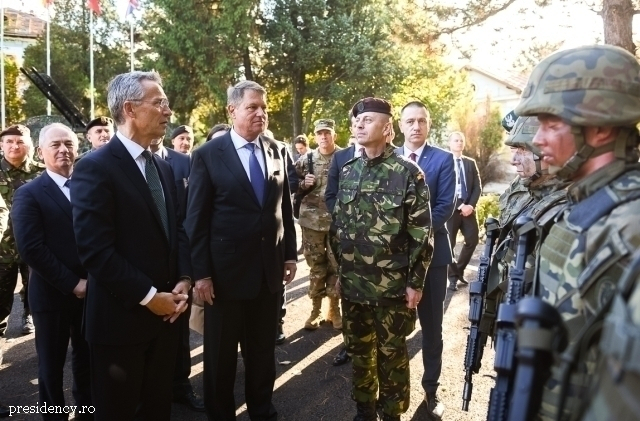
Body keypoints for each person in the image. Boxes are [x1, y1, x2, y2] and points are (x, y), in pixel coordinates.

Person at [514, 44, 640, 421]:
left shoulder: (630, 226)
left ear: (599, 128)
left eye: (552, 124)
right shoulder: (586, 204)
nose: (537, 139)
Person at [71, 71, 192, 421]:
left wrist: (183, 279)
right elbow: (96, 251)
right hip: (119, 326)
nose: (168, 111)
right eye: (160, 103)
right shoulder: (95, 167)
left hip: (167, 320)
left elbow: (178, 230)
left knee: (157, 409)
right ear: (130, 109)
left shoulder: (163, 168)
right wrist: (149, 296)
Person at [184, 80, 297, 421]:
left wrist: (289, 254)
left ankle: (262, 410)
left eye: (264, 107)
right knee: (220, 358)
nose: (260, 113)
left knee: (262, 352)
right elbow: (196, 220)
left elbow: (284, 208)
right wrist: (201, 273)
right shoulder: (206, 155)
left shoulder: (277, 149)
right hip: (224, 278)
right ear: (232, 111)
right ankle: (221, 414)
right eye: (253, 107)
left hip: (268, 272)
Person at [331, 97, 433, 421]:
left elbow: (422, 234)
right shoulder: (348, 170)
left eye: (369, 120)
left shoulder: (407, 173)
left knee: (392, 357)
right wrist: (339, 273)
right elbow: (338, 230)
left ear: (388, 128)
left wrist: (415, 283)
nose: (359, 125)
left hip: (392, 289)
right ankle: (364, 410)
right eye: (357, 121)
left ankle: (391, 414)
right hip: (354, 287)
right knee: (360, 353)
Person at [11, 123, 93, 421]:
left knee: (87, 363)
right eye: (55, 145)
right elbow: (31, 248)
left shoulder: (89, 187)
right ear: (41, 151)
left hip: (91, 293)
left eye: (69, 144)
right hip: (51, 295)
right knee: (51, 367)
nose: (63, 150)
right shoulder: (28, 193)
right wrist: (74, 284)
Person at [396, 101, 455, 419]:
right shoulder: (387, 157)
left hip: (433, 257)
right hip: (393, 260)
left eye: (421, 121)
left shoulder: (443, 160)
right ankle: (392, 391)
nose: (416, 126)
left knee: (432, 329)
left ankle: (431, 391)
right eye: (410, 121)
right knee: (393, 329)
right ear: (401, 125)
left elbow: (445, 206)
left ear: (428, 125)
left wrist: (404, 230)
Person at [148, 134, 203, 411]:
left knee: (179, 334)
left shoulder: (182, 161)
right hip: (143, 274)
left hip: (179, 263)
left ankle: (181, 386)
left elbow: (187, 214)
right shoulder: (119, 163)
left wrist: (186, 274)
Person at [296, 119, 342, 331]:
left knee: (336, 266)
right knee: (316, 266)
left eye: (327, 133)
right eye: (320, 133)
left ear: (334, 135)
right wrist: (302, 184)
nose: (324, 137)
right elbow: (290, 184)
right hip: (312, 222)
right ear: (315, 136)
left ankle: (334, 309)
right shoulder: (306, 160)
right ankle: (315, 310)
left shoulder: (345, 158)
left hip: (336, 222)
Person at [0, 124, 45, 338]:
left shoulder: (43, 172)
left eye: (20, 141)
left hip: (34, 245)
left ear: (30, 145)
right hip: (3, 248)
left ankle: (29, 315)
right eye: (9, 141)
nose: (14, 146)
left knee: (34, 290)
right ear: (1, 145)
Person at [446, 131, 481, 291]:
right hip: (451, 210)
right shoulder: (444, 162)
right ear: (450, 143)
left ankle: (457, 271)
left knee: (472, 240)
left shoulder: (470, 163)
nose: (459, 143)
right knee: (449, 245)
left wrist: (470, 206)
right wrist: (460, 205)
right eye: (456, 140)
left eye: (461, 140)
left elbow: (477, 187)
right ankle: (453, 278)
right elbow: (445, 188)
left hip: (469, 210)